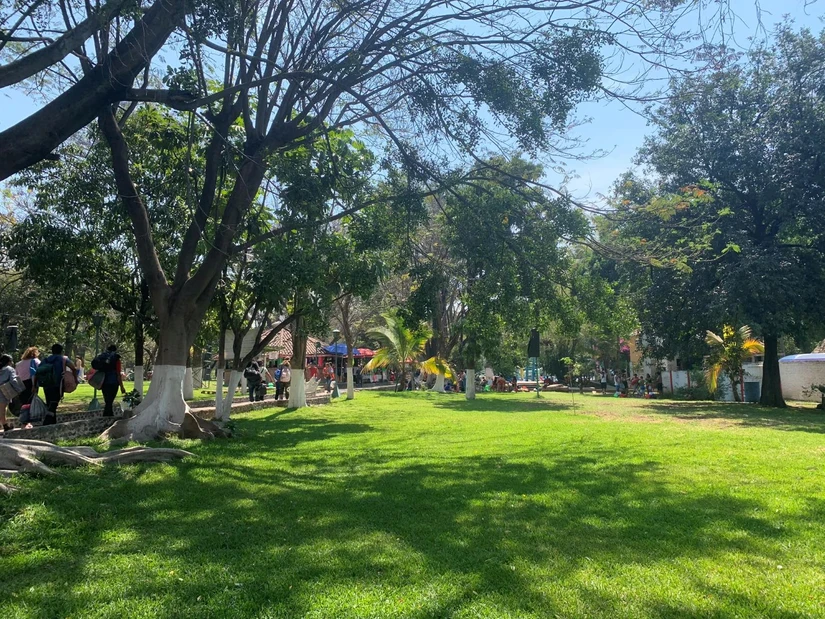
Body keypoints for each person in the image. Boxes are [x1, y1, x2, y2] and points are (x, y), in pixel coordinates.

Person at [33, 343, 76, 424]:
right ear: (61, 351)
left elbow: (37, 373)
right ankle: (47, 422)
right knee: (53, 404)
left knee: (50, 403)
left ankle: (53, 422)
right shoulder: (63, 359)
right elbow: (73, 368)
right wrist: (75, 379)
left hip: (46, 385)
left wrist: (34, 385)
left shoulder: (45, 360)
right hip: (58, 385)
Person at [95, 345, 127, 417]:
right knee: (110, 401)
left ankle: (108, 416)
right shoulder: (116, 359)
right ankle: (107, 417)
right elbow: (118, 374)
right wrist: (122, 387)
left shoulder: (102, 358)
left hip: (104, 382)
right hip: (113, 382)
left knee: (107, 401)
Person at [0, 354, 23, 432]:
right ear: (9, 362)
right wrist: (19, 390)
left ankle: (5, 425)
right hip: (3, 391)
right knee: (3, 409)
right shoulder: (9, 369)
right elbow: (13, 381)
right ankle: (5, 426)